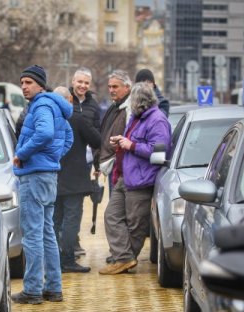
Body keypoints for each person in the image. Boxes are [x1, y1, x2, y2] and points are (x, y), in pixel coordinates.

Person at [11, 65, 74, 304]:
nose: (24, 86)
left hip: (35, 175)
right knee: (47, 232)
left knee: (33, 235)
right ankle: (53, 288)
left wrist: (23, 153)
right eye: (22, 82)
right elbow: (67, 136)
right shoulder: (52, 105)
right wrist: (53, 157)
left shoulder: (42, 105)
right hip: (46, 174)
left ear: (40, 84)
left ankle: (33, 290)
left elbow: (46, 133)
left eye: (28, 82)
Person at [99, 82, 171, 275]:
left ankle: (124, 259)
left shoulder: (157, 120)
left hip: (141, 180)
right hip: (125, 175)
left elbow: (159, 153)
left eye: (132, 100)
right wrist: (121, 142)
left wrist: (131, 145)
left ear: (139, 101)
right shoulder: (137, 118)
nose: (129, 103)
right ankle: (124, 257)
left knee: (135, 223)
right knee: (111, 216)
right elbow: (131, 141)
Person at [52, 86, 101, 274]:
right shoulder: (77, 119)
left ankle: (54, 258)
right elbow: (96, 140)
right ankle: (67, 259)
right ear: (70, 100)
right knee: (71, 220)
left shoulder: (49, 119)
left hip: (53, 176)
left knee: (55, 220)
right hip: (75, 179)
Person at [69, 67, 102, 257]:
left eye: (86, 83)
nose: (82, 86)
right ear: (73, 82)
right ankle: (67, 241)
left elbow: (97, 136)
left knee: (78, 203)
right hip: (66, 160)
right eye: (79, 82)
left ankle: (74, 240)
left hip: (85, 162)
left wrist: (97, 166)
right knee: (66, 203)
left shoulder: (93, 105)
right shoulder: (65, 100)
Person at [93, 70, 132, 194]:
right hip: (114, 165)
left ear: (127, 87)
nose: (111, 90)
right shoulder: (115, 106)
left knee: (116, 210)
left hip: (123, 166)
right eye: (109, 87)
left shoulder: (130, 108)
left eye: (115, 86)